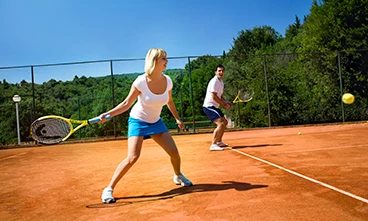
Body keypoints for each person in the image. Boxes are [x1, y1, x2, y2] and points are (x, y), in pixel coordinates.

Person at [98, 48, 192, 204]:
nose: (166, 61)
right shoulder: (140, 81)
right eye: (163, 58)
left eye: (166, 58)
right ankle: (109, 188)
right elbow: (126, 104)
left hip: (156, 122)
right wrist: (108, 114)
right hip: (138, 121)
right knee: (133, 157)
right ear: (153, 60)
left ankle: (178, 175)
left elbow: (169, 101)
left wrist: (178, 119)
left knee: (174, 153)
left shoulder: (168, 80)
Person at [202, 64, 232, 151]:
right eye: (219, 71)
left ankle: (219, 142)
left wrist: (226, 102)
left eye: (222, 71)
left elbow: (220, 96)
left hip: (214, 106)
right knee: (221, 123)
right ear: (216, 72)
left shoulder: (221, 82)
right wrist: (224, 105)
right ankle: (213, 144)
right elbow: (214, 97)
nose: (221, 72)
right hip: (209, 106)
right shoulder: (214, 81)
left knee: (225, 122)